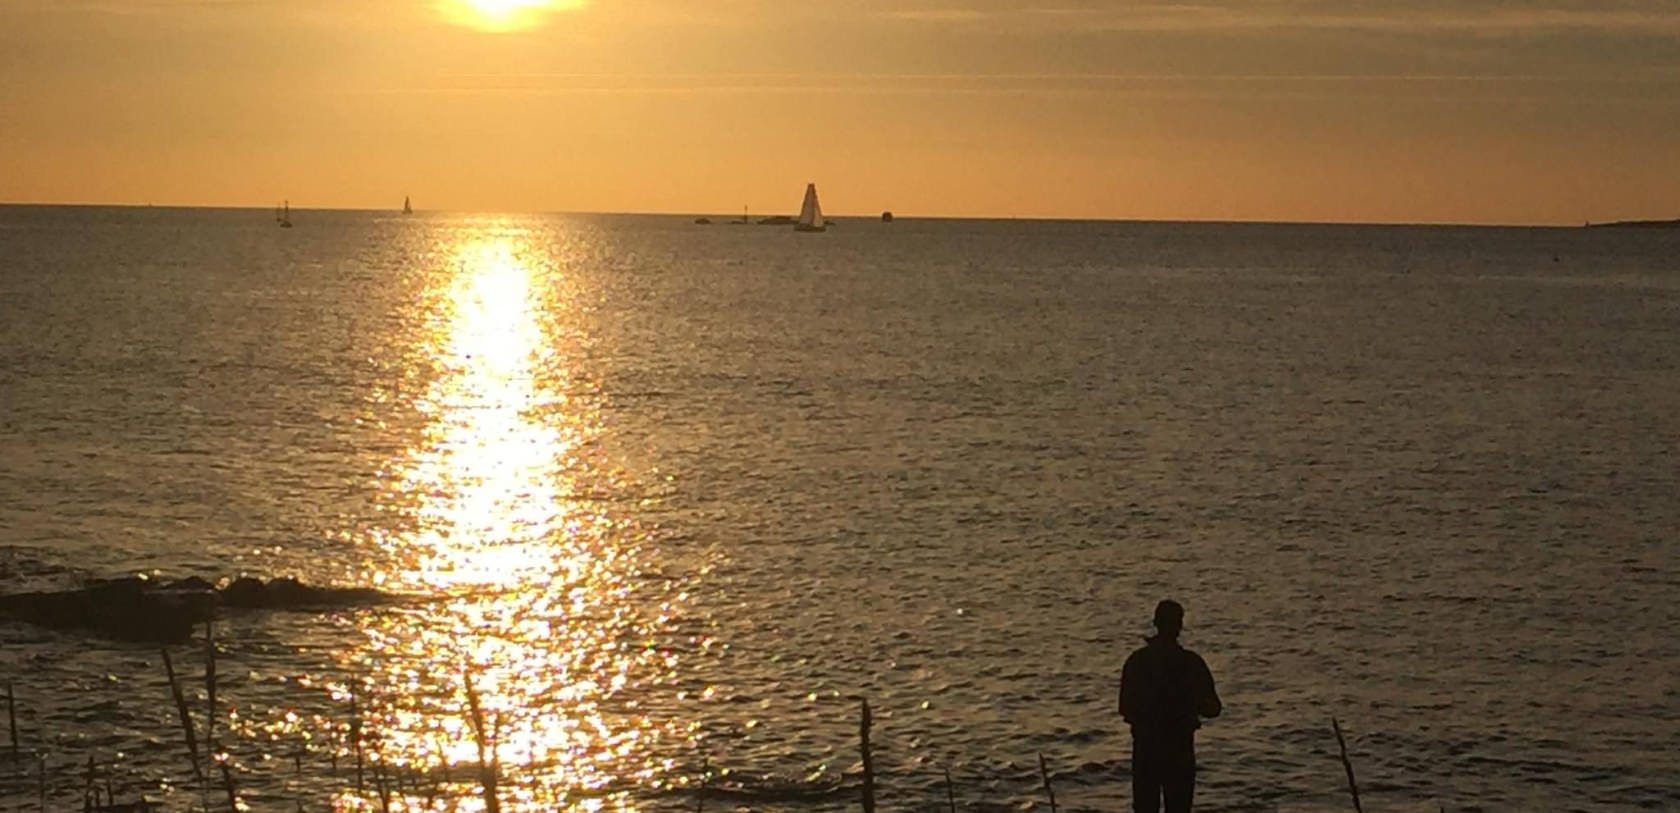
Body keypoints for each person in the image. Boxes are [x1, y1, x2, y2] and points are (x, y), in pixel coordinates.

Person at [1119, 599, 1221, 813]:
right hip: (1179, 750)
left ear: (1156, 623)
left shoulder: (1137, 662)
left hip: (1146, 750)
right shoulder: (1191, 664)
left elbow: (1126, 709)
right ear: (1179, 626)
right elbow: (1213, 709)